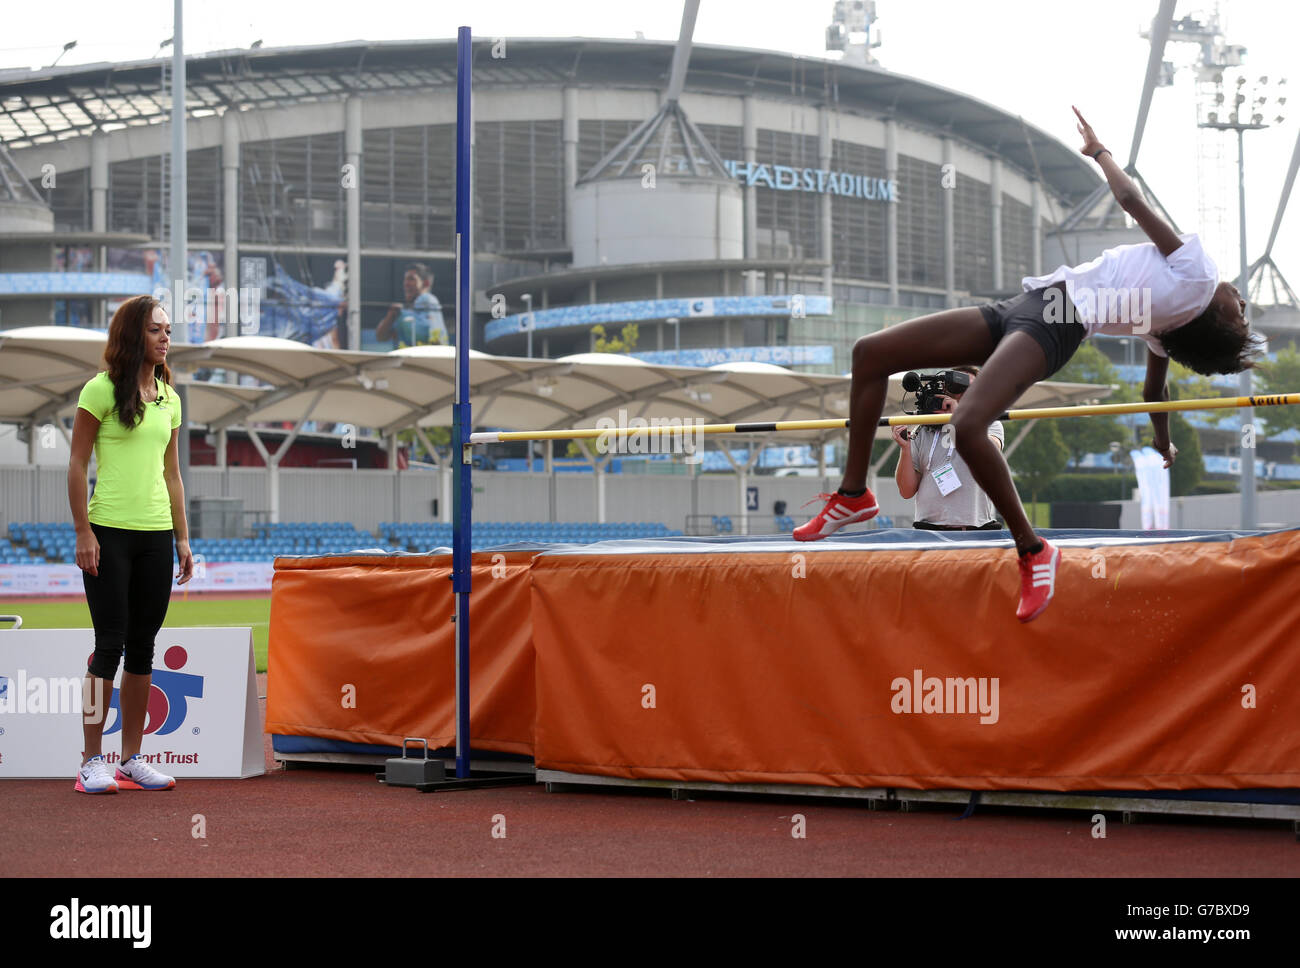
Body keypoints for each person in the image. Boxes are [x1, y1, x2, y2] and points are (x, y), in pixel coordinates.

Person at [794, 106, 1262, 622]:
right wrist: (1161, 438)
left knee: (968, 426)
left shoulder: (1199, 276)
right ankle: (854, 495)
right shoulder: (1166, 326)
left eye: (1240, 309)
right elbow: (1155, 393)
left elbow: (1131, 200)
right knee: (871, 354)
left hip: (1054, 322)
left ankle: (1032, 549)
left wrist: (1099, 153)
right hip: (1028, 306)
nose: (1240, 297)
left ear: (1217, 318)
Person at [68, 294, 194, 793]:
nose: (166, 337)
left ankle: (132, 758)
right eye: (156, 330)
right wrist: (83, 531)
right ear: (131, 335)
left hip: (156, 535)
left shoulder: (170, 398)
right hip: (108, 532)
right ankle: (89, 761)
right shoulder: (98, 391)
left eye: (168, 329)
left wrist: (183, 538)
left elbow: (174, 475)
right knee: (108, 647)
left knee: (144, 648)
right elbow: (76, 464)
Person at [893, 366, 1005, 530]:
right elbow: (906, 491)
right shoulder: (923, 430)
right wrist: (905, 449)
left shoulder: (989, 423)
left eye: (968, 388)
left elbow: (988, 451)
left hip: (976, 530)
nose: (961, 393)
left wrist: (956, 416)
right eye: (956, 387)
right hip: (929, 530)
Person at [376, 263, 448, 347]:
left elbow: (423, 332)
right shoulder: (409, 310)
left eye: (411, 279)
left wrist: (401, 315)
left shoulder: (427, 299)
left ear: (426, 283)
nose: (406, 283)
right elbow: (381, 337)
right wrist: (390, 316)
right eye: (405, 279)